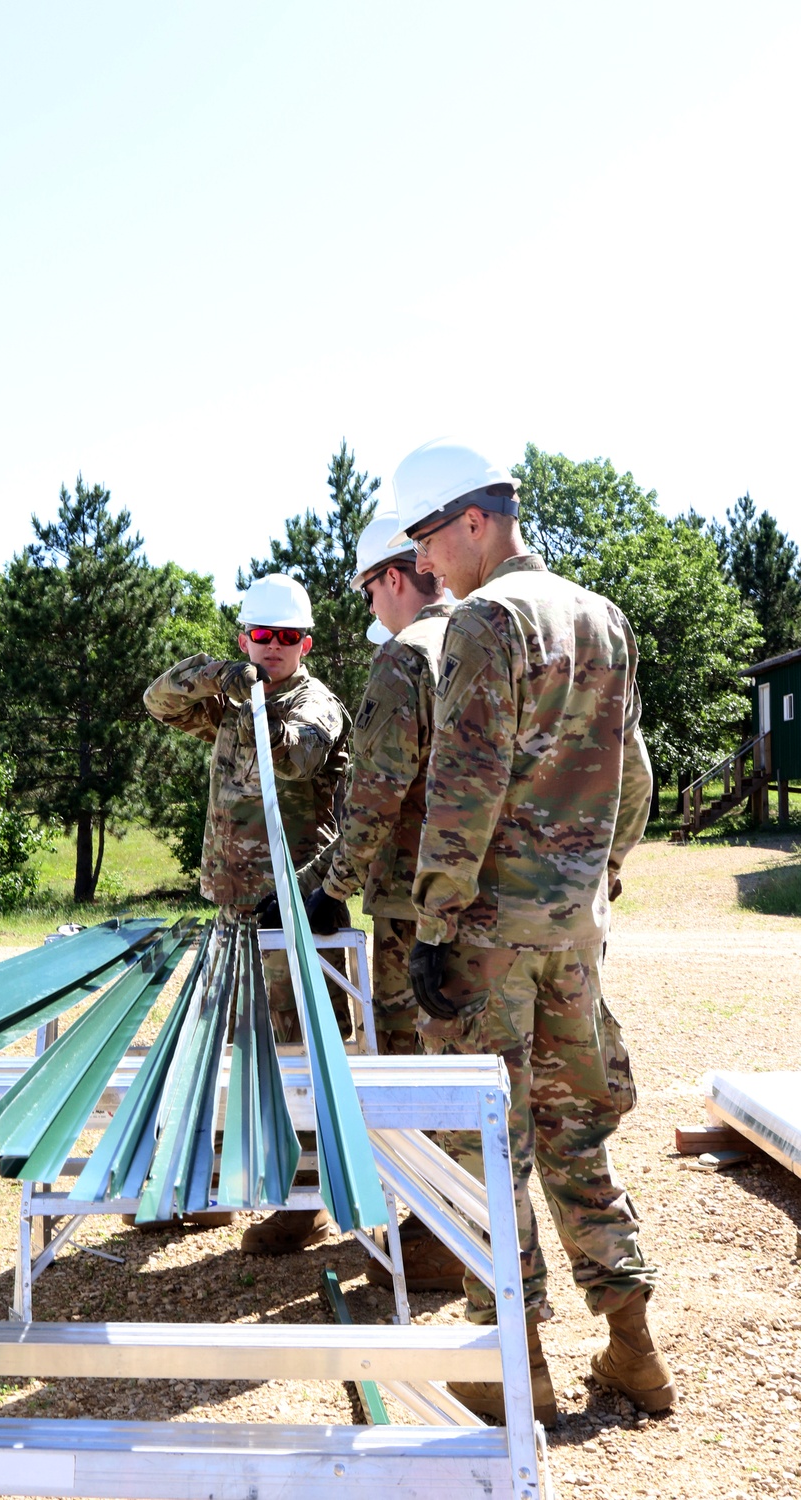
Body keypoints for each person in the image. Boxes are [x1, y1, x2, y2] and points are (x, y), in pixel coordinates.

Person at [387, 437, 674, 1426]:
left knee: (485, 1146)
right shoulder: (602, 617)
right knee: (575, 1134)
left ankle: (519, 1370)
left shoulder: (483, 619)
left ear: (476, 520)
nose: (422, 560)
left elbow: (462, 788)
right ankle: (632, 1348)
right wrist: (599, 877)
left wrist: (431, 926)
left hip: (489, 937)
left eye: (427, 536)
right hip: (573, 931)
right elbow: (631, 774)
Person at [143, 571, 350, 1253]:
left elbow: (298, 758)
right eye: (263, 636)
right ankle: (223, 1185)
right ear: (245, 636)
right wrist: (220, 677)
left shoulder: (313, 702)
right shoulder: (233, 695)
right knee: (232, 1046)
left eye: (288, 638)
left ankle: (308, 1197)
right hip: (233, 905)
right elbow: (158, 700)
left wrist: (255, 698)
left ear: (306, 642)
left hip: (291, 908)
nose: (275, 647)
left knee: (297, 1052)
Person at [301, 515, 451, 1064]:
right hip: (488, 895)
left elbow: (374, 802)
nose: (370, 608)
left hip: (411, 899)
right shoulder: (487, 637)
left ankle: (416, 1155)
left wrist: (331, 890)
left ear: (392, 579)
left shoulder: (404, 657)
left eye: (367, 592)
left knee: (406, 1056)